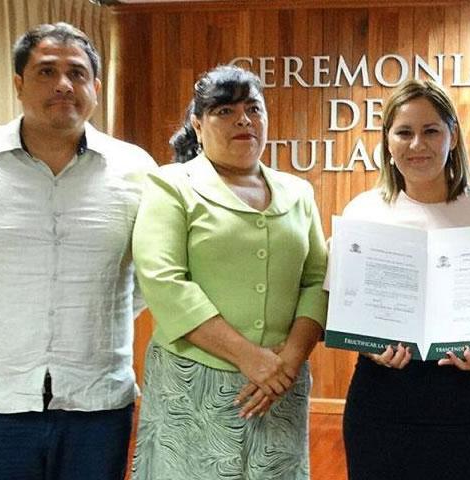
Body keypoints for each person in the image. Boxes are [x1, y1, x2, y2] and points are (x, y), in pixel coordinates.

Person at [0, 22, 156, 480]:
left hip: (97, 405)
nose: (63, 84)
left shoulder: (136, 170)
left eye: (77, 73)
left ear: (95, 87)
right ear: (18, 83)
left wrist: (103, 310)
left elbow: (151, 274)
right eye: (45, 71)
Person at [336, 79, 470, 480]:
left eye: (431, 131)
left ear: (452, 136)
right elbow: (344, 309)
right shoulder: (362, 213)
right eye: (404, 132)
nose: (417, 144)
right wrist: (370, 349)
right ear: (387, 141)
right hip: (383, 399)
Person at [130, 65, 328, 480]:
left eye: (253, 109)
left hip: (279, 386)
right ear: (197, 125)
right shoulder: (171, 186)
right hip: (193, 384)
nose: (243, 119)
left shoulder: (298, 192)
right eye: (224, 110)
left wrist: (287, 362)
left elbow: (317, 281)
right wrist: (248, 357)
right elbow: (164, 281)